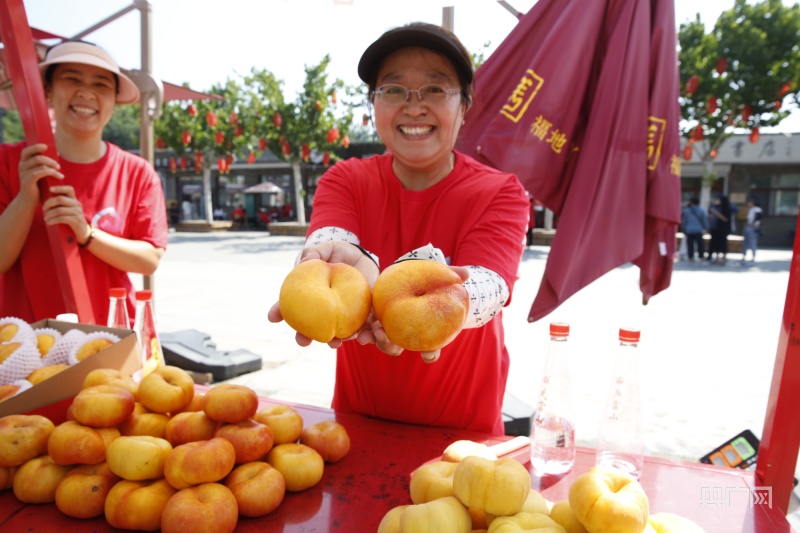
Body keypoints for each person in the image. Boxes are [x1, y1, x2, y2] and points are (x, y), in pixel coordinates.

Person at [268, 22, 529, 435]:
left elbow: (491, 286)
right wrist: (327, 258)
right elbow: (331, 239)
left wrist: (440, 291)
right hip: (354, 429)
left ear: (464, 106)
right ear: (374, 105)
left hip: (465, 440)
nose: (413, 106)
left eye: (435, 89)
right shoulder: (345, 179)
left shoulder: (500, 191)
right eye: (393, 90)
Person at [0, 40, 168, 325]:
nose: (86, 93)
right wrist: (26, 199)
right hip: (21, 342)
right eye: (72, 79)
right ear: (49, 90)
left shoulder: (137, 172)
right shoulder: (9, 160)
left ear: (115, 99)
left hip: (109, 337)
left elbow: (149, 258)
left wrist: (87, 234)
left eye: (101, 85)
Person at [706, 194, 732, 265]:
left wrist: (716, 213)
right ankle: (716, 258)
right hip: (715, 229)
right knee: (715, 243)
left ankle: (723, 259)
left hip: (723, 229)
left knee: (723, 243)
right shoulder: (716, 207)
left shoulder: (727, 209)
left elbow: (725, 219)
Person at [680, 197, 707, 261]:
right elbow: (704, 220)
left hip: (689, 230)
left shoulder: (687, 211)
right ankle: (701, 256)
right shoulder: (701, 210)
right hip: (698, 229)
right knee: (700, 244)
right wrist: (705, 227)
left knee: (690, 244)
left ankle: (690, 256)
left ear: (691, 202)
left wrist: (683, 229)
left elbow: (684, 221)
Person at [741, 197, 763, 265]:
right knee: (745, 242)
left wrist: (753, 224)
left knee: (752, 242)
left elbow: (758, 217)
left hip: (753, 227)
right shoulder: (751, 209)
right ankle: (744, 256)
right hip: (748, 226)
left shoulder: (757, 209)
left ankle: (753, 257)